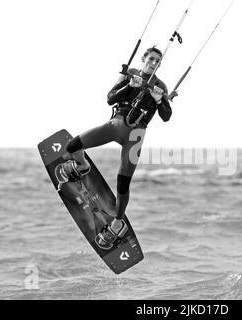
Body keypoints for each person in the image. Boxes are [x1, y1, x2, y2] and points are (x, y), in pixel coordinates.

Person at [57, 46, 173, 250]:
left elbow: (166, 116)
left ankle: (118, 223)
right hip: (115, 125)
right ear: (143, 58)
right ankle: (82, 165)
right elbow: (110, 98)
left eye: (158, 61)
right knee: (71, 147)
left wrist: (158, 100)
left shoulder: (160, 86)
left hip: (136, 135)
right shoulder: (128, 74)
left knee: (123, 183)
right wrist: (129, 85)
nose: (154, 63)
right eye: (151, 59)